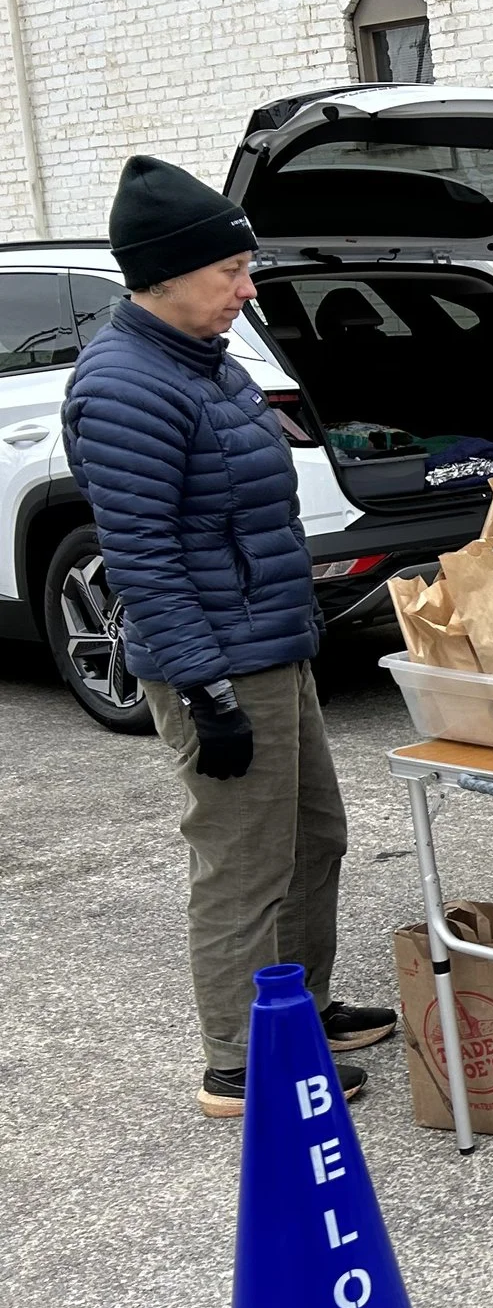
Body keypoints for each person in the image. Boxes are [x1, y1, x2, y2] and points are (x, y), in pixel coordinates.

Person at [63, 157, 398, 1116]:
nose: (247, 291)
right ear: (164, 276)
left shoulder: (204, 366)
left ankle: (305, 1008)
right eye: (230, 274)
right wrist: (205, 692)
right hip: (215, 661)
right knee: (243, 861)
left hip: (270, 642)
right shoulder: (126, 385)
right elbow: (142, 556)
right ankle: (240, 1061)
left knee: (314, 838)